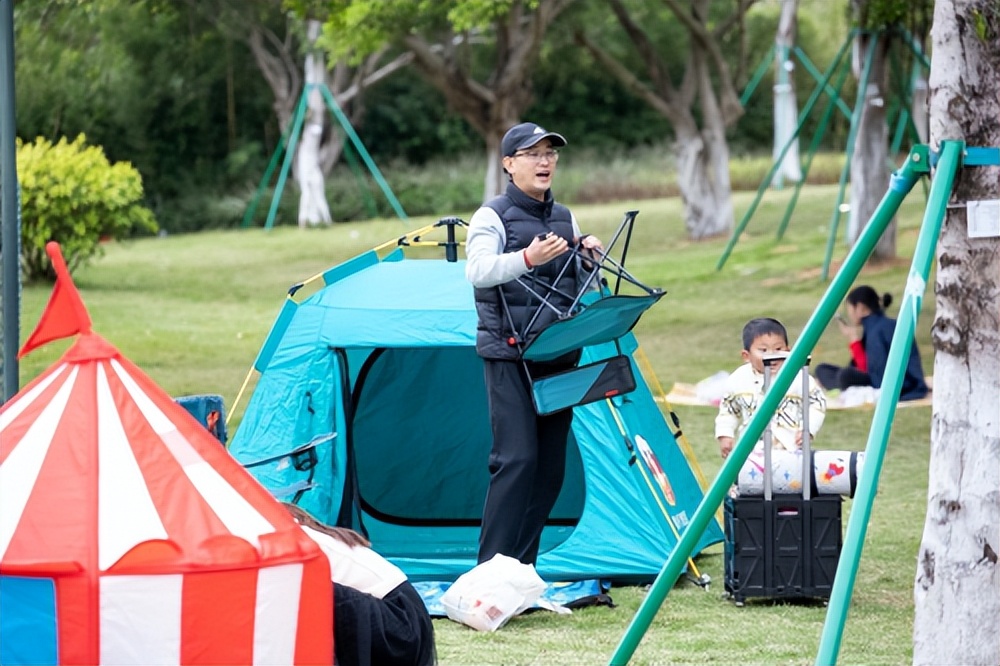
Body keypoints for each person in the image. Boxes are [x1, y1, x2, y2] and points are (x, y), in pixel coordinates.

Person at [465, 121, 604, 566]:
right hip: (509, 355)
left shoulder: (565, 217)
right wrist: (527, 257)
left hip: (558, 353)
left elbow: (578, 285)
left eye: (550, 153)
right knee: (517, 460)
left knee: (549, 470)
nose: (545, 162)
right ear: (509, 164)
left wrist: (588, 259)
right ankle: (489, 573)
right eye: (533, 154)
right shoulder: (492, 216)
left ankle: (521, 571)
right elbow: (477, 271)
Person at [283, 503, 436, 666]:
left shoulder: (292, 537)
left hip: (396, 619)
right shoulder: (297, 532)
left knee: (299, 587)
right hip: (400, 613)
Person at [716, 317, 827, 460]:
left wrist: (808, 429)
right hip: (751, 451)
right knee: (749, 474)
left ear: (788, 351)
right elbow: (728, 410)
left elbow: (817, 403)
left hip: (790, 449)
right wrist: (725, 434)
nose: (772, 355)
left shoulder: (798, 378)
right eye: (763, 350)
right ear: (746, 356)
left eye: (778, 349)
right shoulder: (738, 379)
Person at [816, 285, 929, 401]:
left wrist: (854, 340)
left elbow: (873, 370)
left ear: (860, 308)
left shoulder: (877, 330)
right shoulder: (879, 325)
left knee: (845, 375)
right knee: (822, 369)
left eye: (850, 309)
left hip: (899, 383)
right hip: (905, 379)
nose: (849, 315)